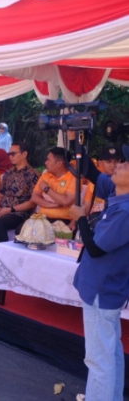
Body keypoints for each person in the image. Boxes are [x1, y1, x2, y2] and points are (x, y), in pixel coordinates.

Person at [70, 158, 129, 401]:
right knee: (110, 351)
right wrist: (77, 137)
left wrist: (81, 218)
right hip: (106, 288)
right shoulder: (119, 196)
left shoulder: (125, 211)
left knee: (98, 360)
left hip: (101, 291)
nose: (119, 166)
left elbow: (95, 249)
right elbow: (91, 172)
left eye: (126, 166)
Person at [30, 147, 77, 225]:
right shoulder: (45, 176)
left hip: (63, 220)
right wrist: (54, 205)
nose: (46, 163)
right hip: (42, 218)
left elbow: (66, 201)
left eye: (48, 160)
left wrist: (47, 189)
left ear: (59, 163)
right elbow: (34, 198)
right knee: (20, 230)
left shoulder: (73, 178)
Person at [84, 146, 122, 217]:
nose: (113, 165)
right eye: (108, 162)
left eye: (116, 161)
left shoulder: (123, 184)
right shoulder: (92, 184)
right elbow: (86, 209)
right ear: (100, 163)